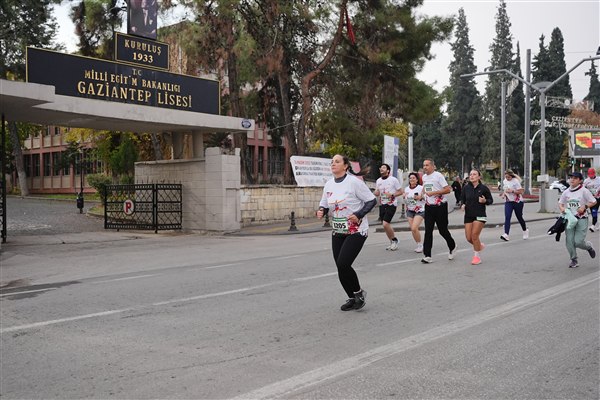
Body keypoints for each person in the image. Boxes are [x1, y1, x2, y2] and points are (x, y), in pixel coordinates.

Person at [317, 154, 377, 311]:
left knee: (344, 263)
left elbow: (371, 200)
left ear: (345, 166)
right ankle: (351, 297)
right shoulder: (329, 184)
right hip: (338, 230)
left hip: (356, 230)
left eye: (337, 161)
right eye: (332, 162)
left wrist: (359, 214)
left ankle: (359, 294)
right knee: (340, 266)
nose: (333, 164)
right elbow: (324, 204)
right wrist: (321, 210)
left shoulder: (354, 182)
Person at [420, 158, 456, 263]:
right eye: (424, 165)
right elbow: (425, 188)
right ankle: (427, 255)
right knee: (428, 231)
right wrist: (422, 195)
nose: (425, 167)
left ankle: (452, 246)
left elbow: (447, 189)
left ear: (432, 166)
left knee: (442, 230)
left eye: (427, 165)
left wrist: (434, 193)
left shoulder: (438, 176)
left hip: (440, 206)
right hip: (429, 207)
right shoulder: (424, 177)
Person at [558, 171, 597, 268]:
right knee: (569, 240)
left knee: (578, 241)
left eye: (575, 178)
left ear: (580, 181)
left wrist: (584, 207)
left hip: (581, 218)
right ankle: (573, 259)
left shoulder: (584, 191)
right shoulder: (566, 192)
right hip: (570, 219)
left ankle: (588, 247)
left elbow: (594, 201)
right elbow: (560, 203)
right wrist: (562, 209)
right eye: (571, 178)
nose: (572, 180)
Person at [460, 169, 493, 265]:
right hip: (468, 215)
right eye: (470, 174)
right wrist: (462, 205)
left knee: (474, 236)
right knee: (469, 238)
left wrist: (485, 201)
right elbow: (462, 199)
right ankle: (479, 245)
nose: (472, 176)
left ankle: (477, 257)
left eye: (474, 174)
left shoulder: (483, 188)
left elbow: (490, 200)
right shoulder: (466, 188)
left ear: (479, 177)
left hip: (480, 215)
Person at [374, 163, 403, 250]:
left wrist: (392, 195)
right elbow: (377, 192)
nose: (381, 169)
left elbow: (401, 191)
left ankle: (394, 240)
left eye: (384, 167)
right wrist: (376, 193)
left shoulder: (393, 180)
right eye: (381, 167)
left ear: (388, 170)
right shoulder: (378, 181)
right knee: (385, 225)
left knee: (385, 223)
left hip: (391, 204)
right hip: (382, 204)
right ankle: (392, 242)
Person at [499, 169, 528, 241]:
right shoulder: (505, 181)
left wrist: (512, 191)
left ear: (511, 176)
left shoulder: (515, 181)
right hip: (509, 201)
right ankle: (506, 234)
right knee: (507, 217)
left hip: (517, 202)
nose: (507, 178)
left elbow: (521, 191)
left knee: (519, 217)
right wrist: (503, 194)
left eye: (508, 177)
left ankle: (525, 230)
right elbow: (506, 190)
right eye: (506, 177)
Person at [403, 172, 425, 253]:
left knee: (414, 227)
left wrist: (420, 197)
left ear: (417, 180)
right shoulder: (406, 189)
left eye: (413, 178)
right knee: (413, 229)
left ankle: (421, 245)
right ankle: (419, 244)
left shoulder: (421, 188)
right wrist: (404, 197)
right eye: (410, 178)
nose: (411, 179)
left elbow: (426, 197)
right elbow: (406, 201)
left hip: (419, 210)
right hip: (410, 210)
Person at [583, 167, 600, 232]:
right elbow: (583, 189)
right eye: (590, 175)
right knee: (593, 211)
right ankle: (594, 224)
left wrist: (598, 191)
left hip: (598, 197)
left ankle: (593, 225)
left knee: (594, 211)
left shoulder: (599, 179)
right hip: (591, 199)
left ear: (594, 174)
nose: (591, 176)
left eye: (592, 175)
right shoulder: (586, 181)